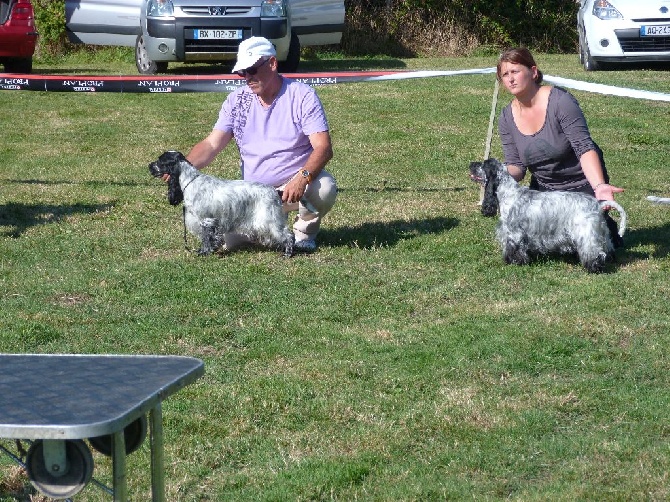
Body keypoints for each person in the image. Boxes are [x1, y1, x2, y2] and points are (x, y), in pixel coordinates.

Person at [184, 36, 337, 253]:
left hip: (292, 189)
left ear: (272, 64)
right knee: (236, 243)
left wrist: (302, 178)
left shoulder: (302, 95)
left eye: (252, 70)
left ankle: (304, 234)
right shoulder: (235, 101)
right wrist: (183, 167)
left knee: (324, 188)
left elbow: (323, 147)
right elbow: (211, 144)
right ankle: (264, 230)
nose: (247, 77)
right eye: (242, 72)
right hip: (252, 197)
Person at [496, 47, 624, 245]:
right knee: (546, 245)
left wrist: (599, 186)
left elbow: (584, 148)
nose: (510, 78)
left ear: (533, 72)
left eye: (515, 71)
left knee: (592, 246)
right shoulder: (506, 117)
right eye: (505, 74)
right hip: (546, 192)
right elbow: (517, 167)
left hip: (580, 185)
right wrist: (497, 174)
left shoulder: (561, 101)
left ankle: (606, 226)